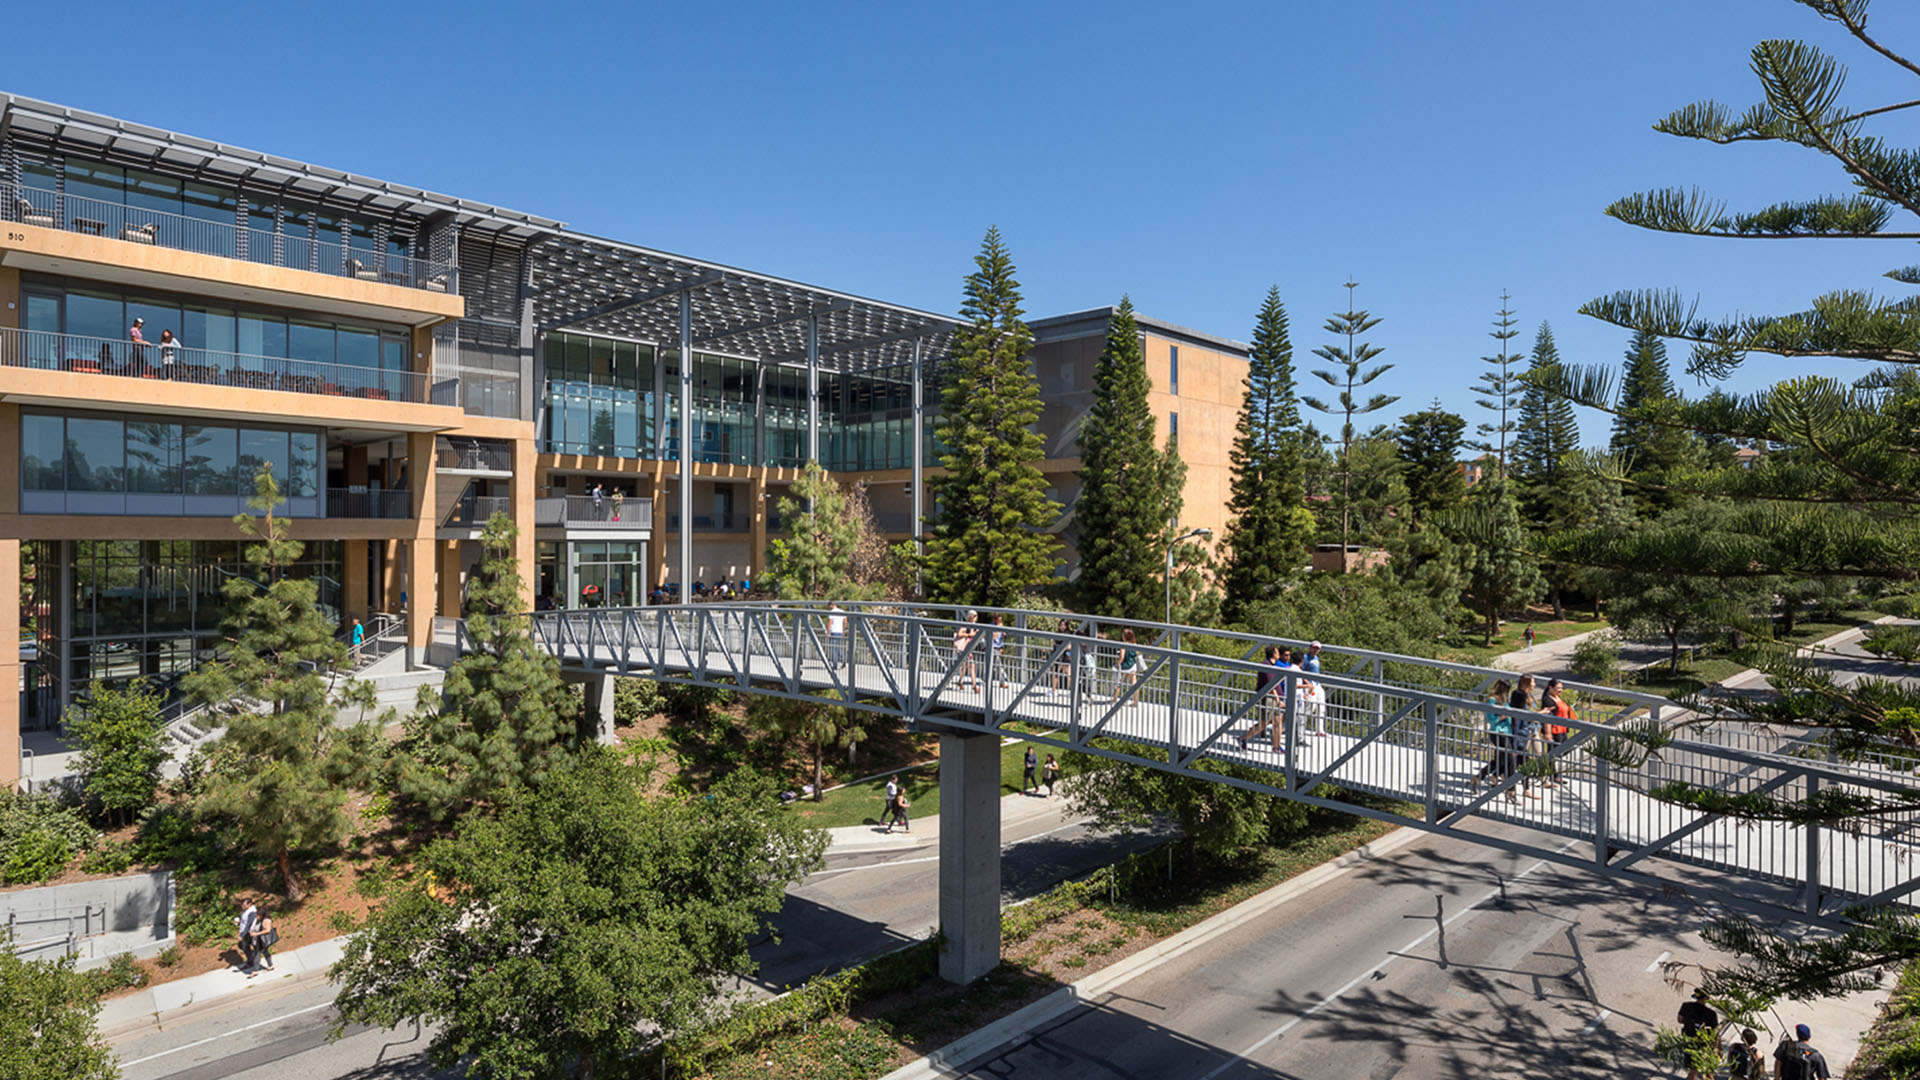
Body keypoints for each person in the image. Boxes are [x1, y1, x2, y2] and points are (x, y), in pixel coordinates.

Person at [1475, 679, 1517, 800]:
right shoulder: (1492, 700)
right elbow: (1491, 720)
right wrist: (1504, 715)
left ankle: (1479, 777)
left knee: (1500, 760)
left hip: (1507, 732)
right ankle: (1510, 790)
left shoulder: (1504, 701)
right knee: (1510, 759)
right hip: (1498, 733)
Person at [1240, 646, 1287, 752]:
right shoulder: (1266, 666)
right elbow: (1271, 686)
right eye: (1278, 652)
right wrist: (1279, 700)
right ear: (1274, 654)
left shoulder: (1273, 665)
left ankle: (1276, 746)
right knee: (1265, 722)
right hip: (1270, 698)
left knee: (1277, 721)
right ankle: (1243, 738)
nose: (1279, 654)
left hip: (1275, 698)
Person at [1509, 674, 1542, 799]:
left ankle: (1524, 789)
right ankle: (1521, 790)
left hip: (1524, 732)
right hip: (1520, 734)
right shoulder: (1520, 695)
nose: (1535, 684)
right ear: (1527, 683)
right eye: (1533, 682)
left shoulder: (1525, 694)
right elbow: (1519, 717)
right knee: (1521, 762)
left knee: (1519, 763)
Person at [1677, 988, 1719, 1080]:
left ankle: (1691, 1076)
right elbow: (1714, 1032)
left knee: (1691, 1063)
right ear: (1706, 998)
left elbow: (1680, 1019)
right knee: (1698, 1066)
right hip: (1702, 1043)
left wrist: (1688, 1021)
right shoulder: (1711, 1014)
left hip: (1687, 1038)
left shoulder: (1686, 1006)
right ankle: (1692, 1077)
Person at [246, 905, 278, 976]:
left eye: (258, 915)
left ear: (262, 914)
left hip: (261, 941)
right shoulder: (262, 920)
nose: (256, 916)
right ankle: (270, 965)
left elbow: (267, 930)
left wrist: (256, 934)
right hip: (260, 940)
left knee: (256, 954)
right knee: (265, 952)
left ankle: (255, 970)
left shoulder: (266, 920)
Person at [953, 611, 980, 693]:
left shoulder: (975, 626)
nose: (976, 617)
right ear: (971, 617)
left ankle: (960, 681)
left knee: (965, 666)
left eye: (976, 615)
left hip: (968, 649)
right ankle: (974, 686)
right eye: (975, 616)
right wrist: (969, 635)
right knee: (971, 666)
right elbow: (959, 634)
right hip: (964, 649)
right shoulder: (966, 625)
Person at [234, 896, 259, 973]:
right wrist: (239, 922)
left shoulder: (252, 912)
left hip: (248, 932)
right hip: (244, 932)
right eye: (242, 905)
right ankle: (252, 958)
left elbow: (248, 925)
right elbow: (244, 921)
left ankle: (251, 961)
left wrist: (242, 935)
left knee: (244, 946)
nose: (243, 906)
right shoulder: (246, 910)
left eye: (244, 905)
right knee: (242, 946)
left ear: (250, 904)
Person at [1116, 628, 1142, 696]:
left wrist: (1118, 664)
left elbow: (1122, 657)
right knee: (1134, 684)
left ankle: (1114, 699)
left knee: (1118, 683)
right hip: (1133, 665)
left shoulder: (1124, 645)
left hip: (1125, 666)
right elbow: (1137, 653)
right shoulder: (1135, 644)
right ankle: (1135, 702)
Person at [827, 603, 848, 669]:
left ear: (831, 605)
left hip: (833, 631)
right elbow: (845, 621)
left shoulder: (832, 612)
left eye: (829, 606)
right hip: (840, 632)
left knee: (833, 648)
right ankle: (843, 659)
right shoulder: (842, 611)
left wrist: (828, 632)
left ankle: (835, 665)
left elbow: (829, 623)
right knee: (837, 646)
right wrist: (844, 630)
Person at [991, 614, 1009, 689]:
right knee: (999, 666)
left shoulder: (1001, 625)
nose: (1000, 622)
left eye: (1001, 620)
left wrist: (1004, 633)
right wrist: (998, 629)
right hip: (993, 647)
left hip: (999, 647)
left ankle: (984, 677)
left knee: (994, 666)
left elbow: (1002, 637)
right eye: (998, 620)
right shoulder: (991, 626)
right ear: (994, 620)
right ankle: (1002, 682)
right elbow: (992, 637)